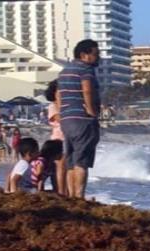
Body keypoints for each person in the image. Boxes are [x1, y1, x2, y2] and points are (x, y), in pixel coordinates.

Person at [57, 39, 101, 199]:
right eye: (95, 54)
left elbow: (59, 95)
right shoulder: (85, 69)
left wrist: (61, 115)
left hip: (66, 120)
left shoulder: (63, 72)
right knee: (81, 160)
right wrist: (91, 112)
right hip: (82, 119)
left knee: (71, 160)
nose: (98, 57)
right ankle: (79, 196)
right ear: (84, 55)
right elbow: (87, 90)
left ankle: (71, 197)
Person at [45, 79, 66, 196]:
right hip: (58, 140)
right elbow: (60, 119)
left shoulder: (67, 105)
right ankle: (60, 191)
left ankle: (65, 190)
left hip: (69, 138)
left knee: (66, 166)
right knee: (59, 166)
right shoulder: (52, 106)